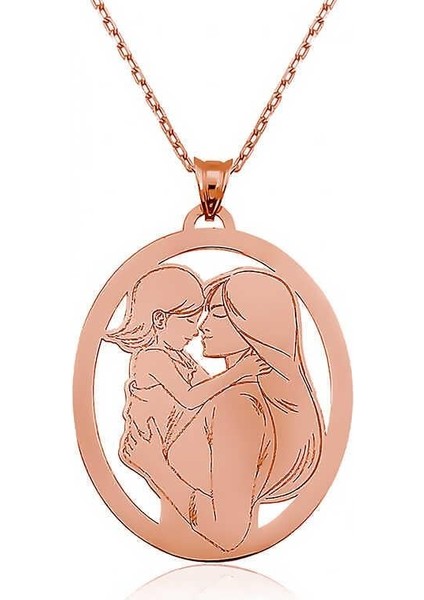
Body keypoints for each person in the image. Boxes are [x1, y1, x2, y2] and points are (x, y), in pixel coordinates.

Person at [121, 268, 325, 552]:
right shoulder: (215, 388)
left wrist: (154, 467)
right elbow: (194, 395)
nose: (201, 326)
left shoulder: (236, 405)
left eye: (217, 314)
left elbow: (227, 533)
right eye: (199, 316)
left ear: (253, 324)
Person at [105, 265, 269, 451]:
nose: (197, 330)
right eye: (190, 321)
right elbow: (190, 398)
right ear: (160, 320)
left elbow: (209, 389)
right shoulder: (150, 357)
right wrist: (239, 371)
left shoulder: (181, 357)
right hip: (153, 440)